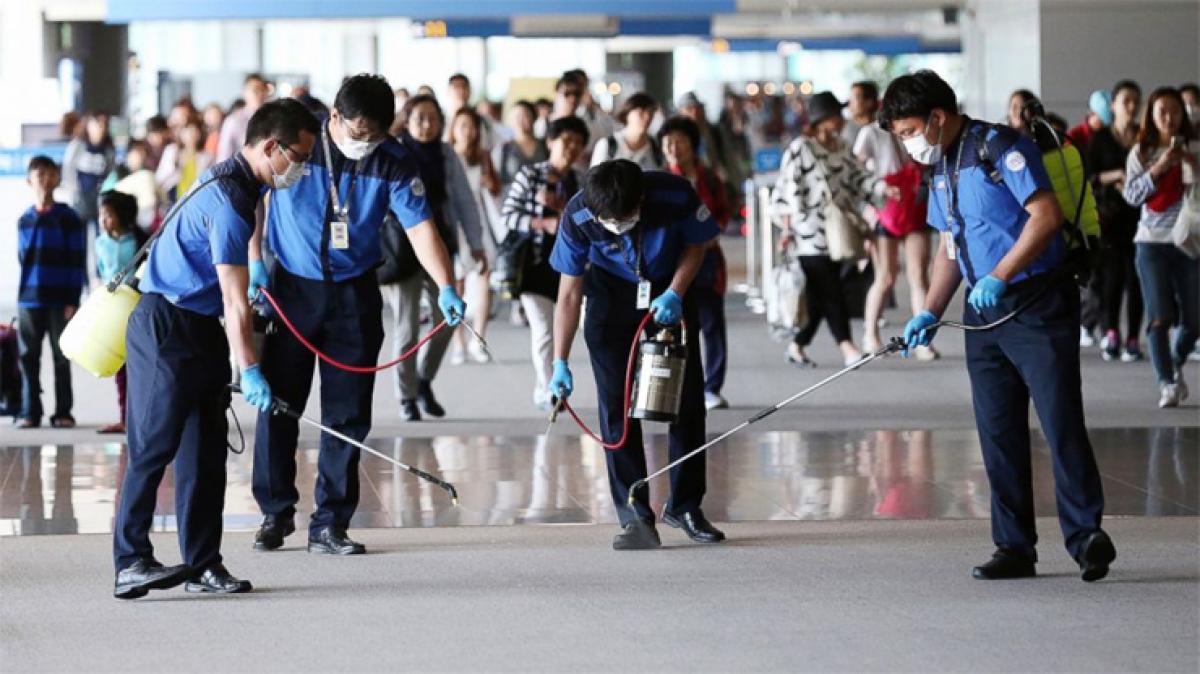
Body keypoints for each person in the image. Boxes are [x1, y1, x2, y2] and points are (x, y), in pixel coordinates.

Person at [883, 70, 1115, 582]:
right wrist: (930, 309)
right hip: (982, 317)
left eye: (908, 132)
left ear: (937, 117)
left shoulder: (999, 146)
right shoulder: (939, 167)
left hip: (1036, 302)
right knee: (998, 431)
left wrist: (999, 275)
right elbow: (949, 247)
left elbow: (1045, 214)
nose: (908, 145)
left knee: (1060, 422)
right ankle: (1013, 546)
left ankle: (1086, 537)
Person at [251, 76, 467, 559]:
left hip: (355, 295)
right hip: (292, 288)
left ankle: (330, 522)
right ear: (334, 117)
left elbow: (420, 226)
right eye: (357, 132)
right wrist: (254, 264)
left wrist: (448, 285)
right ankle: (275, 509)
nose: (364, 143)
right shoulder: (299, 141)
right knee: (279, 403)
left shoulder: (392, 159)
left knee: (347, 414)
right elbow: (255, 196)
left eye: (375, 135)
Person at [112, 98, 318, 600]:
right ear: (271, 146)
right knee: (154, 445)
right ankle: (130, 560)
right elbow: (233, 297)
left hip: (199, 327)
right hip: (165, 325)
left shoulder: (239, 184)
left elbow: (233, 285)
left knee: (204, 452)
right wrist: (250, 368)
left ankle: (203, 563)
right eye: (299, 156)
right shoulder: (228, 198)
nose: (302, 169)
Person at [548, 159, 725, 550]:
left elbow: (699, 245)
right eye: (607, 221)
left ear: (641, 199)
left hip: (668, 291)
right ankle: (635, 516)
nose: (615, 226)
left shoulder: (675, 193)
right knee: (617, 410)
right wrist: (559, 361)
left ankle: (686, 506)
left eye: (623, 219)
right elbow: (568, 293)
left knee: (686, 403)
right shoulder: (579, 213)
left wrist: (676, 293)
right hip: (609, 297)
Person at [389, 94, 486, 420]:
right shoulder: (393, 152)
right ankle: (406, 397)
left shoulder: (446, 155)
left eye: (432, 118)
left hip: (440, 248)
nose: (426, 125)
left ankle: (423, 381)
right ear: (407, 119)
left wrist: (476, 243)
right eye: (419, 118)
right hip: (401, 252)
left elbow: (464, 201)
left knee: (447, 321)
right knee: (406, 330)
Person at [773, 91, 887, 368]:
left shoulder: (842, 147)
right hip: (807, 234)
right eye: (836, 114)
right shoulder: (801, 148)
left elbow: (859, 178)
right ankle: (847, 347)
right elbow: (789, 191)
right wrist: (788, 230)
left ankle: (797, 345)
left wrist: (884, 190)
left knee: (819, 295)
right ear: (822, 119)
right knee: (831, 289)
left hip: (838, 233)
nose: (841, 119)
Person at [500, 116, 588, 409]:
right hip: (533, 264)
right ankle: (549, 389)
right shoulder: (530, 175)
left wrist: (561, 209)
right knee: (543, 328)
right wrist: (543, 222)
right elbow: (508, 216)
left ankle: (546, 385)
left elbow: (588, 220)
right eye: (566, 140)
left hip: (568, 266)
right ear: (551, 141)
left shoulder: (581, 181)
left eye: (578, 142)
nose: (571, 147)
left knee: (561, 327)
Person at [1122, 87, 1199, 408]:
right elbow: (1132, 196)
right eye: (1162, 112)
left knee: (1195, 319)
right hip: (1151, 243)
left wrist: (1193, 167)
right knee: (1160, 315)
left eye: (1175, 111)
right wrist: (1159, 167)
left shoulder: (1194, 147)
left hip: (1189, 241)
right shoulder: (1141, 151)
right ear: (1152, 117)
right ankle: (1166, 382)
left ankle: (1174, 359)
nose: (1169, 118)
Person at [660, 116, 732, 410]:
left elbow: (724, 211)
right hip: (671, 263)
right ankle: (671, 388)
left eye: (680, 142)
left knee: (712, 324)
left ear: (693, 145)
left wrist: (713, 232)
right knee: (672, 326)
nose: (674, 148)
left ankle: (711, 387)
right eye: (668, 143)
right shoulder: (660, 179)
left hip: (708, 261)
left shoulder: (710, 178)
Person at [854, 106, 936, 360]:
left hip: (913, 207)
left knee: (919, 277)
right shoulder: (870, 133)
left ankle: (923, 341)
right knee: (886, 277)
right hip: (885, 210)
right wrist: (877, 188)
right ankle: (870, 335)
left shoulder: (915, 128)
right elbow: (855, 169)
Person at [15, 156, 86, 430]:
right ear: (29, 180)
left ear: (57, 179)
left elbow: (76, 261)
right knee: (28, 358)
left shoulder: (69, 217)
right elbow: (24, 258)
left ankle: (63, 412)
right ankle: (29, 411)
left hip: (60, 300)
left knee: (61, 357)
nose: (44, 179)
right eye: (39, 174)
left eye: (50, 174)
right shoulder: (24, 220)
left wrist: (73, 299)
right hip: (29, 299)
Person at [1089, 80, 1144, 362]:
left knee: (1137, 281)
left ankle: (1134, 337)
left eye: (1136, 101)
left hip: (1140, 219)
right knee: (1112, 279)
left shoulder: (1143, 138)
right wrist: (1119, 176)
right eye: (1126, 101)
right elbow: (1090, 176)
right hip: (1110, 219)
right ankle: (1111, 333)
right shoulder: (1101, 139)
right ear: (1113, 105)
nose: (1131, 107)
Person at [447, 107, 500, 364]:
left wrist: (490, 184)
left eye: (472, 126)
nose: (468, 131)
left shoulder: (483, 156)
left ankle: (479, 338)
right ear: (454, 129)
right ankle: (458, 343)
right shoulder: (446, 156)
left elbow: (496, 187)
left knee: (483, 278)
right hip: (454, 224)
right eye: (462, 125)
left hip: (479, 221)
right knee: (455, 283)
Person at [94, 191, 146, 434]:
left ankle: (139, 417)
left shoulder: (140, 241)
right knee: (120, 366)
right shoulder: (100, 242)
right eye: (101, 215)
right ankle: (125, 417)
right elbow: (100, 273)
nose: (103, 220)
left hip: (135, 306)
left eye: (108, 215)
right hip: (110, 310)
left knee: (139, 365)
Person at [61, 112, 115, 235]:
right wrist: (75, 193)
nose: (102, 128)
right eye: (98, 124)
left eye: (105, 124)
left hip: (100, 202)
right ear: (89, 125)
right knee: (78, 237)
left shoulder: (108, 149)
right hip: (79, 200)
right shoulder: (77, 146)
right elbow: (68, 171)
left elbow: (110, 174)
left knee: (101, 237)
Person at [590, 93, 663, 170]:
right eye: (641, 112)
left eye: (651, 113)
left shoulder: (655, 148)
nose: (647, 117)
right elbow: (594, 179)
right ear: (627, 114)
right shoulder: (608, 145)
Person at [156, 115, 215, 203]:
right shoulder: (172, 151)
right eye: (187, 130)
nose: (191, 135)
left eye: (195, 130)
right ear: (181, 133)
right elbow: (160, 178)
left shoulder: (207, 157)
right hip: (173, 199)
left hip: (197, 200)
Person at [493, 100, 548, 194]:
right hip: (513, 201)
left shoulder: (546, 145)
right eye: (516, 116)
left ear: (534, 117)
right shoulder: (504, 149)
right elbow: (498, 181)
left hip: (544, 200)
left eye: (525, 115)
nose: (520, 120)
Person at [113, 140, 165, 233]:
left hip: (148, 221)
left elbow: (159, 197)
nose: (140, 157)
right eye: (136, 153)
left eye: (142, 154)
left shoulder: (147, 175)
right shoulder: (118, 174)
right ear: (128, 154)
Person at [217, 73, 271, 161]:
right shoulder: (234, 121)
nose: (259, 93)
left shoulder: (272, 118)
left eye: (262, 89)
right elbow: (224, 156)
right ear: (244, 92)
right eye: (254, 90)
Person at [1067, 90, 1112, 154]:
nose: (1106, 126)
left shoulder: (1112, 136)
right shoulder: (1073, 137)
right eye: (1102, 122)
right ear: (1091, 113)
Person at [843, 80, 879, 147]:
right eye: (850, 98)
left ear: (869, 102)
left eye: (854, 98)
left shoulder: (884, 127)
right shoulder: (846, 130)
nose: (849, 102)